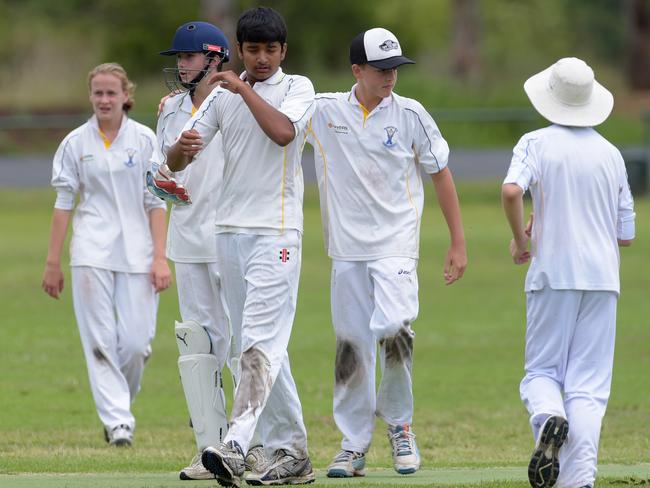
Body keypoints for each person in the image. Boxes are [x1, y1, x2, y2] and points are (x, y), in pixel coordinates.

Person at [161, 6, 315, 486]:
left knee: (258, 344)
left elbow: (284, 133)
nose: (263, 58)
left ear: (283, 50)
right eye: (254, 49)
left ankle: (235, 445)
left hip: (277, 231)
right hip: (228, 231)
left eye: (271, 49)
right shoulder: (220, 94)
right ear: (241, 49)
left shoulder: (297, 88)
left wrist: (242, 87)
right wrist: (180, 150)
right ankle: (292, 454)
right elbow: (176, 162)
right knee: (262, 348)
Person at [306, 28, 467, 477]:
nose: (391, 77)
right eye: (381, 70)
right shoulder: (323, 111)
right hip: (346, 251)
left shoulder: (412, 114)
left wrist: (457, 241)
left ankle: (400, 426)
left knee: (396, 329)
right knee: (352, 346)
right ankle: (353, 445)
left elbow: (441, 174)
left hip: (396, 246)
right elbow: (273, 123)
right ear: (356, 69)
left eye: (395, 68)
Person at [501, 57, 636, 488]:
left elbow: (509, 191)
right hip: (602, 280)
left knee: (541, 374)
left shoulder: (536, 142)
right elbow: (626, 234)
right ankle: (578, 480)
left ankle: (548, 418)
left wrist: (524, 242)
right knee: (589, 388)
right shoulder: (612, 154)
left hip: (553, 274)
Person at [151, 21, 266, 480]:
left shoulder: (238, 100)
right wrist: (172, 170)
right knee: (200, 345)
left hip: (234, 238)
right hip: (189, 240)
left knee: (243, 342)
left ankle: (251, 446)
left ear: (216, 59)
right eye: (178, 58)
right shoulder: (170, 109)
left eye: (189, 57)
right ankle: (209, 448)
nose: (181, 65)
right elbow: (161, 173)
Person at [42, 62, 171, 447]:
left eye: (110, 92)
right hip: (90, 252)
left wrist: (160, 257)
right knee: (99, 340)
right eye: (97, 93)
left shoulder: (145, 139)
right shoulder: (75, 143)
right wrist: (52, 262)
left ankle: (119, 407)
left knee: (135, 344)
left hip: (139, 252)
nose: (103, 99)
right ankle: (119, 425)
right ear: (90, 96)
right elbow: (64, 202)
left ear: (125, 96)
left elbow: (156, 200)